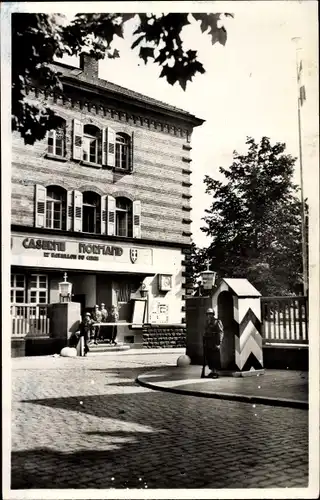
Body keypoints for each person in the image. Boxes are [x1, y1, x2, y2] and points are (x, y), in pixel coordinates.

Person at [201, 308, 224, 379]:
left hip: (214, 342)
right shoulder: (207, 322)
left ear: (213, 314)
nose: (209, 315)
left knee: (215, 358)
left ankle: (216, 372)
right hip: (208, 342)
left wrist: (219, 343)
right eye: (208, 314)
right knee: (209, 358)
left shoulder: (217, 321)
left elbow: (220, 332)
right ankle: (212, 371)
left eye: (210, 314)